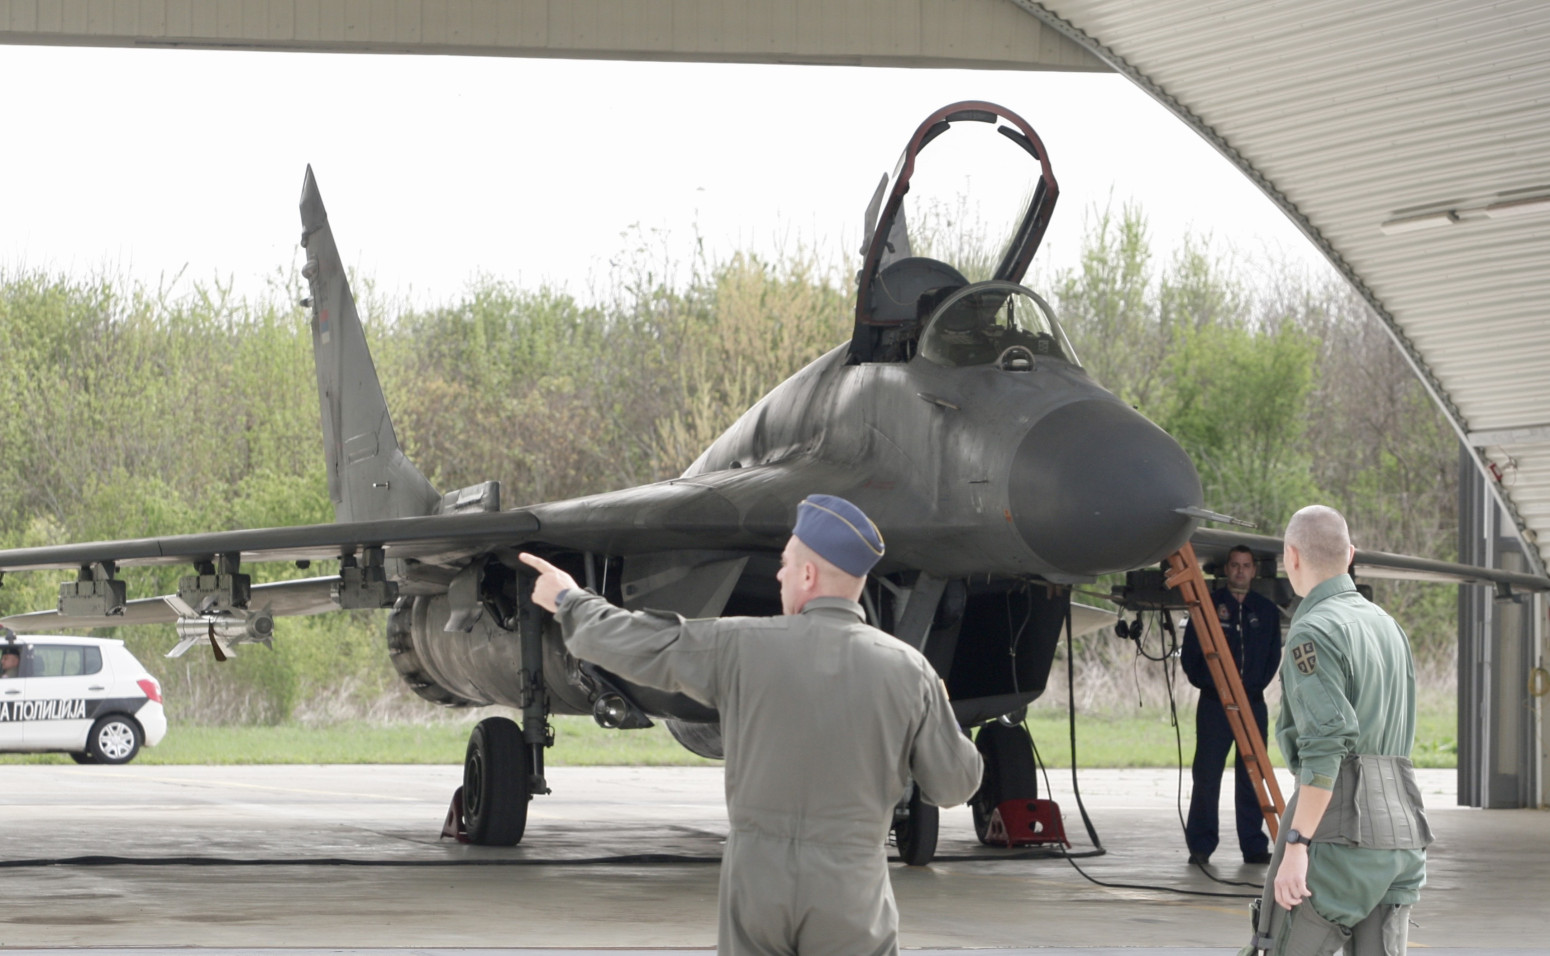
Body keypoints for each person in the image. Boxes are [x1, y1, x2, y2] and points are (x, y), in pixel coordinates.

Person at [521, 494, 983, 956]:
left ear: (807, 575)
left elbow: (640, 643)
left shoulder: (741, 646)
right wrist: (941, 708)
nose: (779, 575)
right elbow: (953, 786)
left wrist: (569, 600)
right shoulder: (909, 671)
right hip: (852, 887)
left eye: (785, 564)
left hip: (758, 882)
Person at [1247, 505, 1431, 956]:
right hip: (1403, 835)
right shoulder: (1388, 627)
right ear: (1350, 554)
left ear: (1291, 557)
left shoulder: (1313, 631)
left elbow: (1326, 746)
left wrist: (1296, 845)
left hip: (1339, 834)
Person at [1181, 544, 1282, 865]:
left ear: (1254, 570)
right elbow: (1191, 657)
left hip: (1252, 703)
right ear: (1227, 569)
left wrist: (1249, 689)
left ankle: (1253, 846)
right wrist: (1215, 688)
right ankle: (1201, 845)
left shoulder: (1265, 610)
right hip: (1214, 706)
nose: (1240, 571)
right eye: (1235, 565)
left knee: (1252, 775)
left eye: (1246, 565)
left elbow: (1271, 658)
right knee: (1207, 776)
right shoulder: (1208, 608)